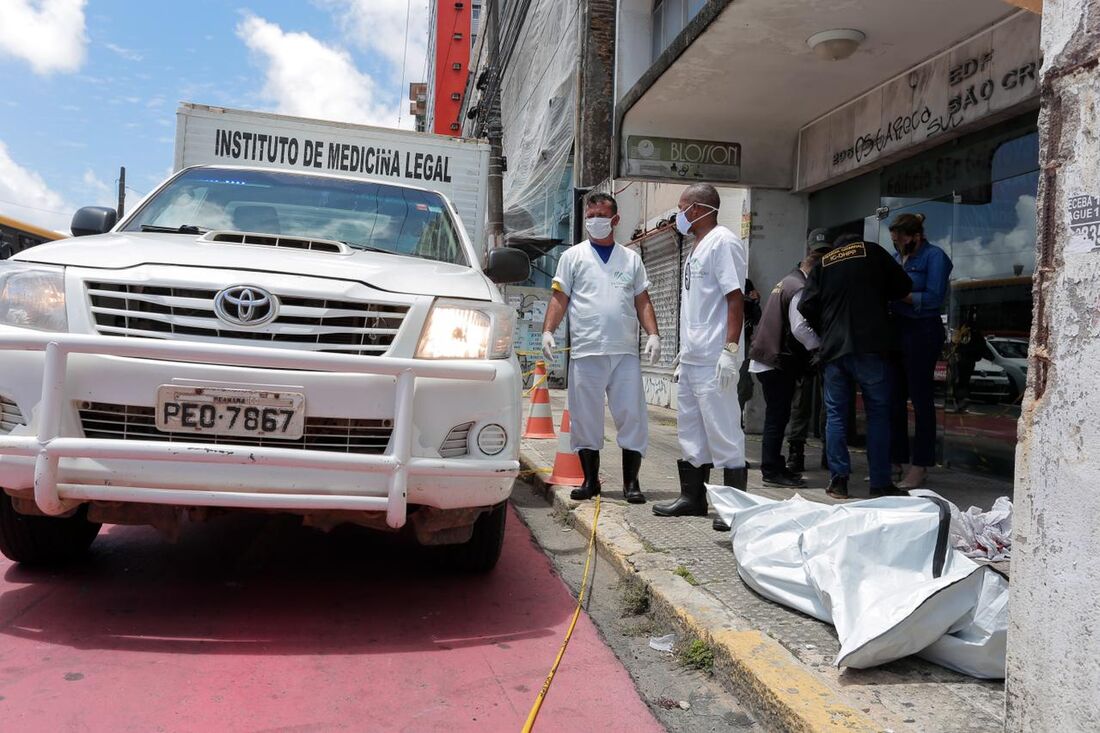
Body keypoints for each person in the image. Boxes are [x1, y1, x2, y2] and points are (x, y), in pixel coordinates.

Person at [542, 192, 661, 504]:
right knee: (585, 418)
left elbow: (642, 300)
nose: (594, 221)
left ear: (615, 220)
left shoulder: (631, 258)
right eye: (590, 216)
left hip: (624, 354)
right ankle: (590, 480)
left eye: (601, 216)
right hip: (586, 351)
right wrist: (548, 331)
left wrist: (653, 334)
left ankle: (631, 483)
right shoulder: (573, 257)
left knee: (632, 415)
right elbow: (559, 297)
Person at [651, 184, 748, 531]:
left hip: (714, 357)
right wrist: (683, 352)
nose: (677, 215)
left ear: (696, 209)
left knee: (723, 431)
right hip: (694, 356)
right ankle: (693, 498)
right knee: (690, 431)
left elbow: (735, 298)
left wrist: (730, 350)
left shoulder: (723, 242)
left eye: (680, 208)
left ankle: (733, 508)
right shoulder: (697, 247)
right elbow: (698, 307)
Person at [798, 233, 912, 500]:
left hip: (834, 351)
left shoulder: (824, 263)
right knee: (878, 415)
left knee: (836, 415)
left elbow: (806, 305)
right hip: (871, 347)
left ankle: (838, 481)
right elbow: (904, 286)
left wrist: (826, 329)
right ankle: (880, 482)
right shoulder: (872, 252)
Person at [747, 240, 824, 488]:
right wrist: (820, 346)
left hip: (767, 358)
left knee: (777, 417)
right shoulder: (799, 287)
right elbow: (800, 327)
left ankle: (775, 465)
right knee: (776, 418)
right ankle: (771, 470)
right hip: (776, 361)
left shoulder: (787, 281)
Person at [887, 213, 953, 489]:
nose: (899, 246)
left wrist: (902, 295)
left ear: (916, 236)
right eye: (895, 241)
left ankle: (921, 465)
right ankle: (895, 460)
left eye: (902, 240)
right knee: (893, 397)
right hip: (897, 328)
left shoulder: (934, 257)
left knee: (921, 399)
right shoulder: (896, 257)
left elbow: (935, 297)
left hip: (922, 328)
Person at [785, 229, 831, 474]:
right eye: (818, 251)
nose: (822, 256)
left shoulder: (833, 275)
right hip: (805, 349)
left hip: (826, 347)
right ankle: (796, 452)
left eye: (826, 251)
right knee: (801, 404)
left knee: (829, 404)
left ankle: (829, 451)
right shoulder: (801, 277)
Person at [737, 278, 762, 424]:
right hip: (725, 343)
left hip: (744, 345)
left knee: (743, 384)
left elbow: (757, 319)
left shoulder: (746, 284)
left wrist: (755, 302)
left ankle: (737, 418)